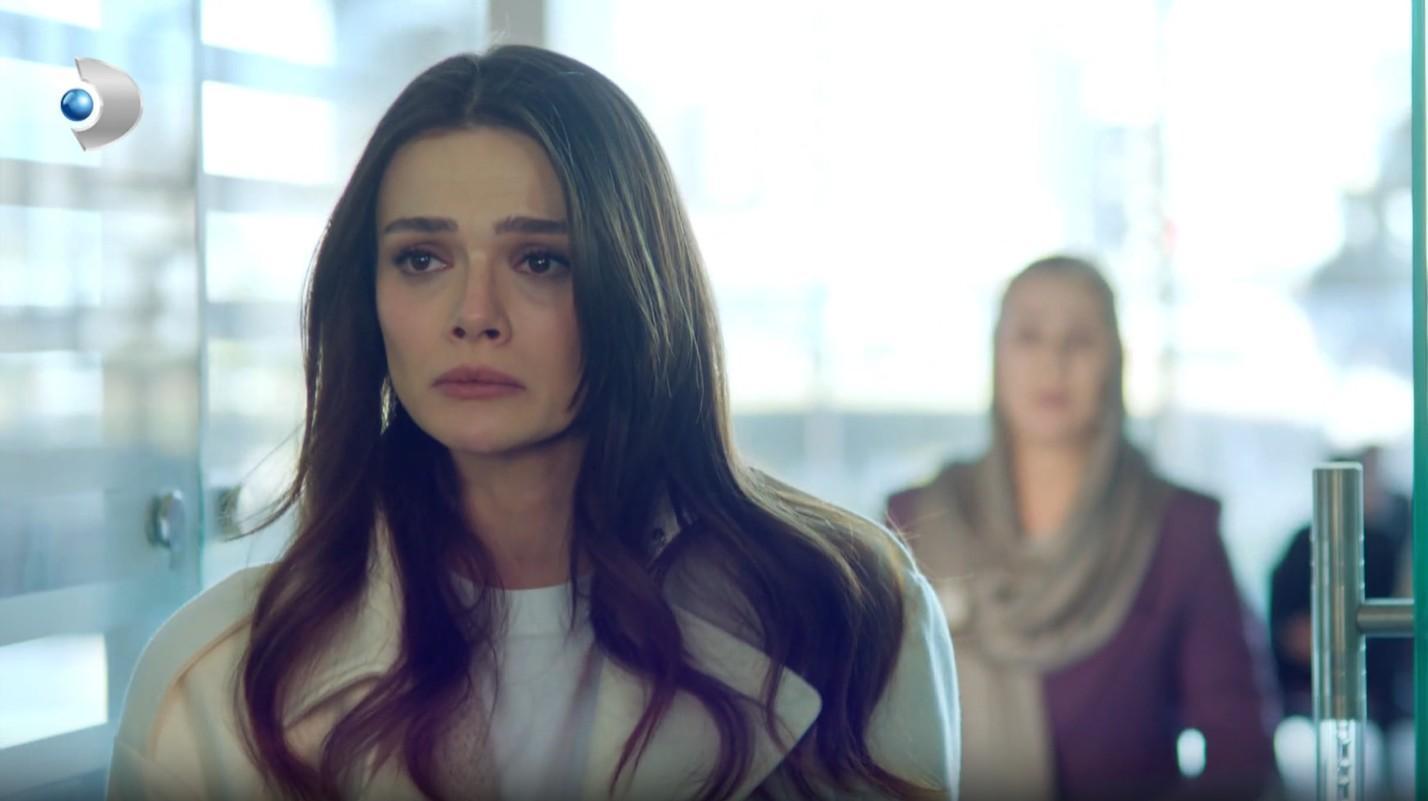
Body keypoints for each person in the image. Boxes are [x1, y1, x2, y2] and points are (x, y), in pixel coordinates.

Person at [106, 46, 960, 801]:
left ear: (634, 286)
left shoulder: (850, 611)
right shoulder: (217, 676)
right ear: (368, 297)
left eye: (541, 260)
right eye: (422, 258)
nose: (474, 313)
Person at [884, 255, 1279, 801]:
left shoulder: (1178, 530)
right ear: (996, 355)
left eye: (1080, 340)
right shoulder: (916, 522)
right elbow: (868, 734)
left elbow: (1241, 753)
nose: (1053, 362)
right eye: (1029, 337)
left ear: (1115, 361)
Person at [1269, 445, 1413, 728]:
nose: (1382, 490)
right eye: (1373, 477)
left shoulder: (1387, 544)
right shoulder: (1304, 547)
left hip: (1369, 701)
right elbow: (1291, 635)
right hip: (1312, 699)